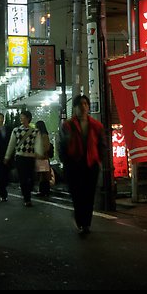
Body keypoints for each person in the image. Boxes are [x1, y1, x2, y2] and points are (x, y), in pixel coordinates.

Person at [59, 95, 107, 235]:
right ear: (74, 107)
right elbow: (62, 146)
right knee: (77, 194)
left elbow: (102, 145)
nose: (83, 106)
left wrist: (99, 159)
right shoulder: (67, 125)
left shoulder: (96, 125)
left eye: (85, 104)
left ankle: (86, 224)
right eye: (80, 104)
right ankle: (81, 221)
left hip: (91, 165)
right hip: (74, 165)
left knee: (89, 195)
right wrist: (66, 163)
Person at [4, 110, 42, 207]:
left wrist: (39, 153)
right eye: (20, 117)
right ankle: (27, 198)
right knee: (23, 178)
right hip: (20, 157)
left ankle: (27, 192)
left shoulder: (35, 131)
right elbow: (11, 144)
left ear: (28, 118)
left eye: (23, 117)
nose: (21, 119)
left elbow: (37, 144)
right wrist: (7, 156)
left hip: (31, 157)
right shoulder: (16, 130)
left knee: (31, 178)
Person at [34, 120, 53, 197]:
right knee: (43, 174)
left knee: (43, 175)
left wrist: (40, 152)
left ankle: (43, 191)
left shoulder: (43, 135)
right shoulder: (43, 135)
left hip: (42, 157)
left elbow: (46, 147)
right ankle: (44, 191)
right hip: (42, 157)